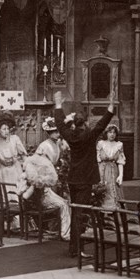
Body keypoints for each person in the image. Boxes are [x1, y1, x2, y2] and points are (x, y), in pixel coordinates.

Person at [53, 90, 115, 257]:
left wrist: (58, 105)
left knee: (76, 213)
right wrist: (110, 108)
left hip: (73, 179)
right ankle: (77, 249)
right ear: (85, 122)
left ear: (74, 123)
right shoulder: (89, 135)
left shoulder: (71, 136)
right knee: (81, 214)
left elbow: (59, 124)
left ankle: (75, 248)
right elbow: (101, 125)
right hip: (85, 179)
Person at [19, 117, 71, 240]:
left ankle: (60, 230)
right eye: (55, 132)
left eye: (58, 131)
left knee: (64, 201)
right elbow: (37, 165)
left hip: (52, 177)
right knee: (62, 203)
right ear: (49, 133)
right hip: (42, 179)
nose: (58, 134)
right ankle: (63, 233)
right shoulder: (44, 146)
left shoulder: (58, 143)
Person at [0, 112, 26, 199]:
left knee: (16, 194)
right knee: (5, 195)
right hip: (2, 170)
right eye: (4, 129)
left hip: (15, 169)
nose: (7, 131)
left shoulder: (15, 139)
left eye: (8, 129)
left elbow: (23, 155)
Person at [97, 124, 126, 209]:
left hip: (113, 170)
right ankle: (102, 214)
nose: (112, 134)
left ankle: (113, 214)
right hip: (102, 170)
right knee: (102, 190)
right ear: (106, 133)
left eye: (114, 132)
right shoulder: (101, 144)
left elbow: (120, 161)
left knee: (113, 191)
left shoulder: (119, 145)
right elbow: (97, 160)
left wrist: (121, 175)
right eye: (110, 132)